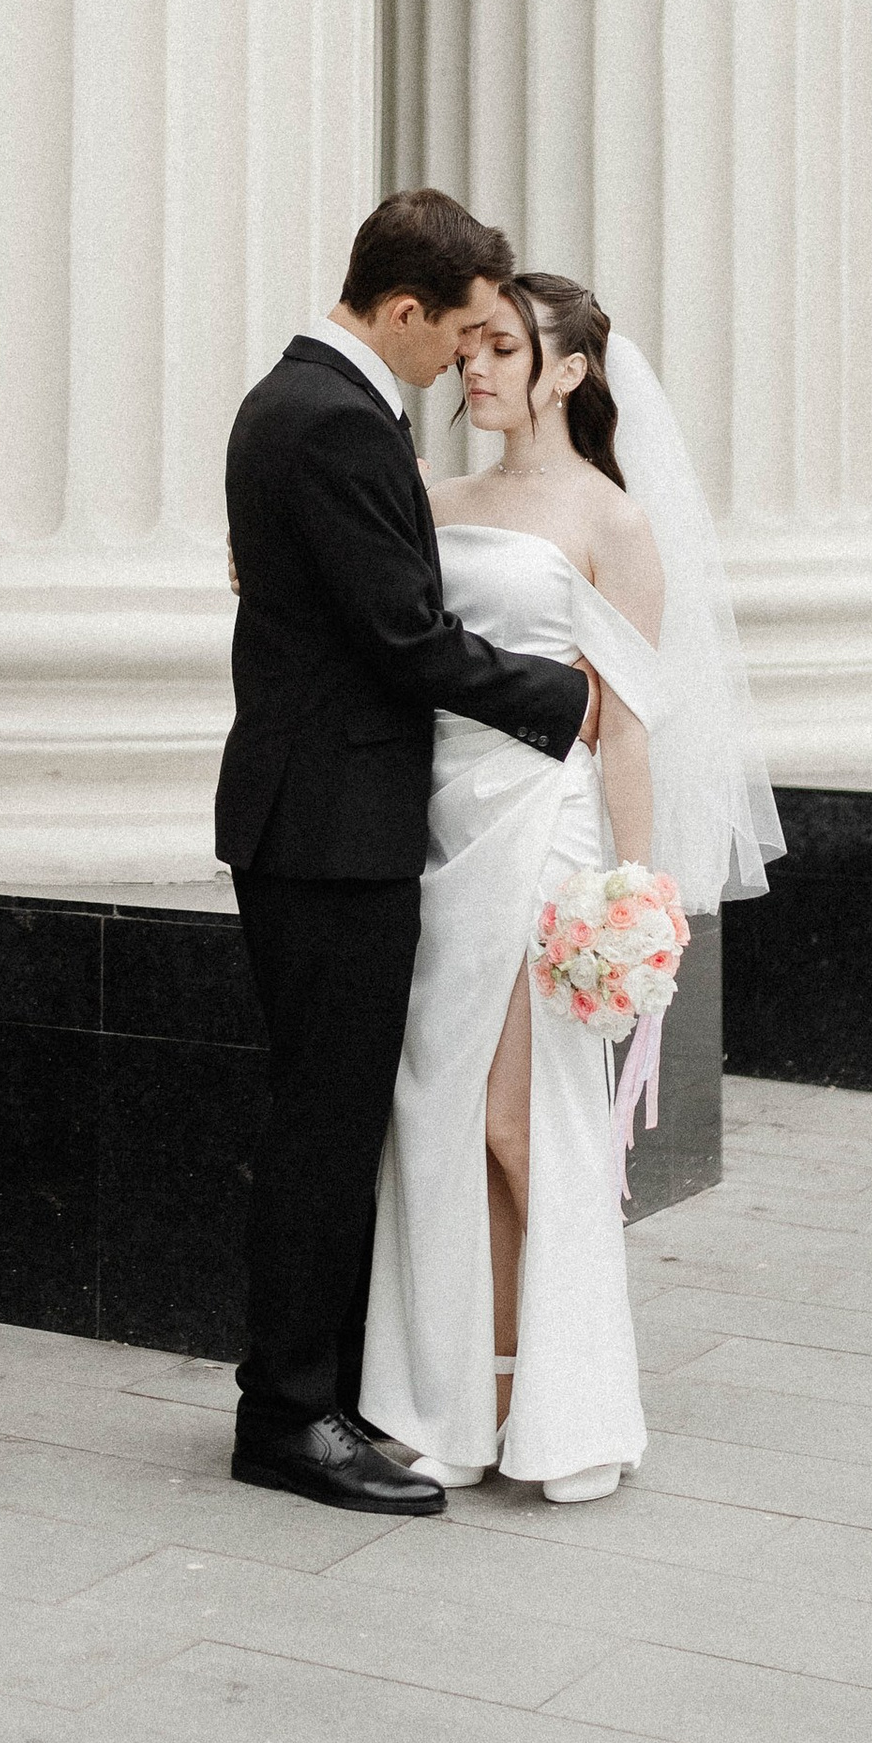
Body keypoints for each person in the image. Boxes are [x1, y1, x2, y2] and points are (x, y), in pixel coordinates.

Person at [358, 273, 782, 1501]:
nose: (473, 367)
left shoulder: (611, 520)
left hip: (549, 831)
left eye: (501, 348)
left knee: (515, 1122)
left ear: (569, 371)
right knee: (443, 1122)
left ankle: (580, 1398)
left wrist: (637, 897)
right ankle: (473, 1399)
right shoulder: (438, 499)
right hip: (441, 826)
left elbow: (632, 725)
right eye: (471, 346)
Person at [217, 192, 597, 1515]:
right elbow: (405, 635)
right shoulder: (327, 417)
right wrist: (563, 701)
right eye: (458, 335)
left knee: (330, 1123)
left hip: (328, 818)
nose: (461, 363)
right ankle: (285, 1419)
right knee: (322, 1130)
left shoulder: (305, 404)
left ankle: (316, 1401)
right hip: (329, 831)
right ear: (402, 313)